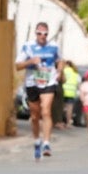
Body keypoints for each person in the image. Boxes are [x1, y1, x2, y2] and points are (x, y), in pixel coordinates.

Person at [17, 21, 61, 160]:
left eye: (45, 34)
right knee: (35, 116)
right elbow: (18, 66)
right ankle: (37, 141)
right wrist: (30, 62)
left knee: (46, 110)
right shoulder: (28, 47)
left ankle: (46, 143)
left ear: (48, 34)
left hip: (49, 81)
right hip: (32, 83)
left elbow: (61, 60)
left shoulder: (54, 46)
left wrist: (59, 71)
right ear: (35, 33)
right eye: (39, 33)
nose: (42, 36)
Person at [60, 59, 81, 130]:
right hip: (71, 92)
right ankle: (68, 123)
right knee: (69, 109)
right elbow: (79, 84)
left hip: (63, 91)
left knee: (61, 108)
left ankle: (60, 122)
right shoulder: (75, 73)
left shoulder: (63, 71)